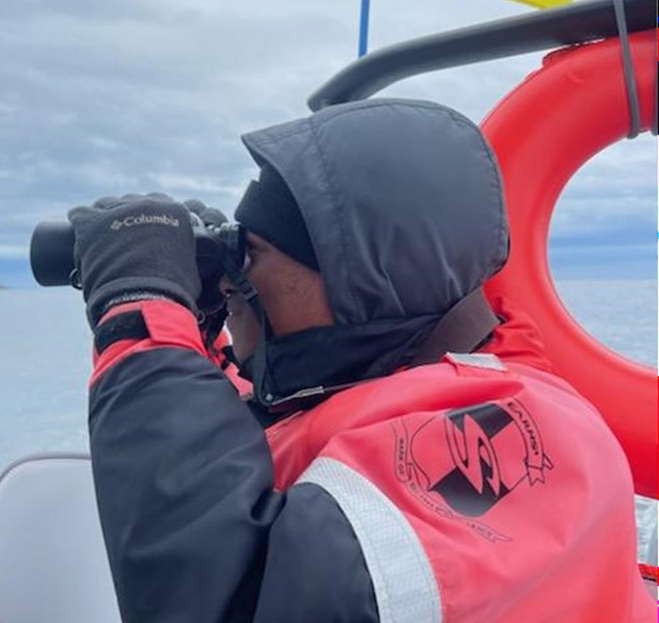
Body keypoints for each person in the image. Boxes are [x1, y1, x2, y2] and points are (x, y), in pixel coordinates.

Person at [68, 98, 652, 623]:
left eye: (253, 254)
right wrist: (194, 327)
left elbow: (239, 599)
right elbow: (248, 459)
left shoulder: (518, 433)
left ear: (356, 283)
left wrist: (138, 313)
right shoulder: (373, 384)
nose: (232, 277)